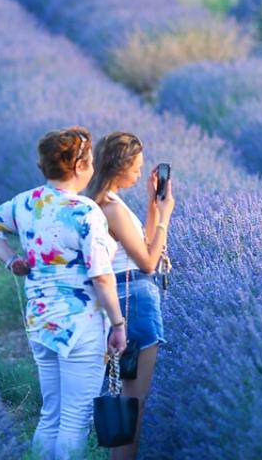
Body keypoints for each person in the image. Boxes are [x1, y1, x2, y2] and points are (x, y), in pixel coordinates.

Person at [0, 126, 128, 460]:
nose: (92, 166)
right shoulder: (85, 212)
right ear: (77, 167)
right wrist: (118, 324)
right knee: (76, 420)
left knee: (51, 414)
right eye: (88, 160)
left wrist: (11, 260)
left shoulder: (26, 203)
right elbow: (102, 277)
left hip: (40, 320)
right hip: (81, 326)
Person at [86, 131, 176, 460]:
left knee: (126, 403)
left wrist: (154, 206)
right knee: (133, 404)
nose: (140, 173)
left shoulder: (99, 201)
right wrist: (166, 215)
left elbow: (146, 246)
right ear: (120, 166)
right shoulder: (112, 208)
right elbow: (150, 262)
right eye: (136, 167)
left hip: (119, 299)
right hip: (135, 302)